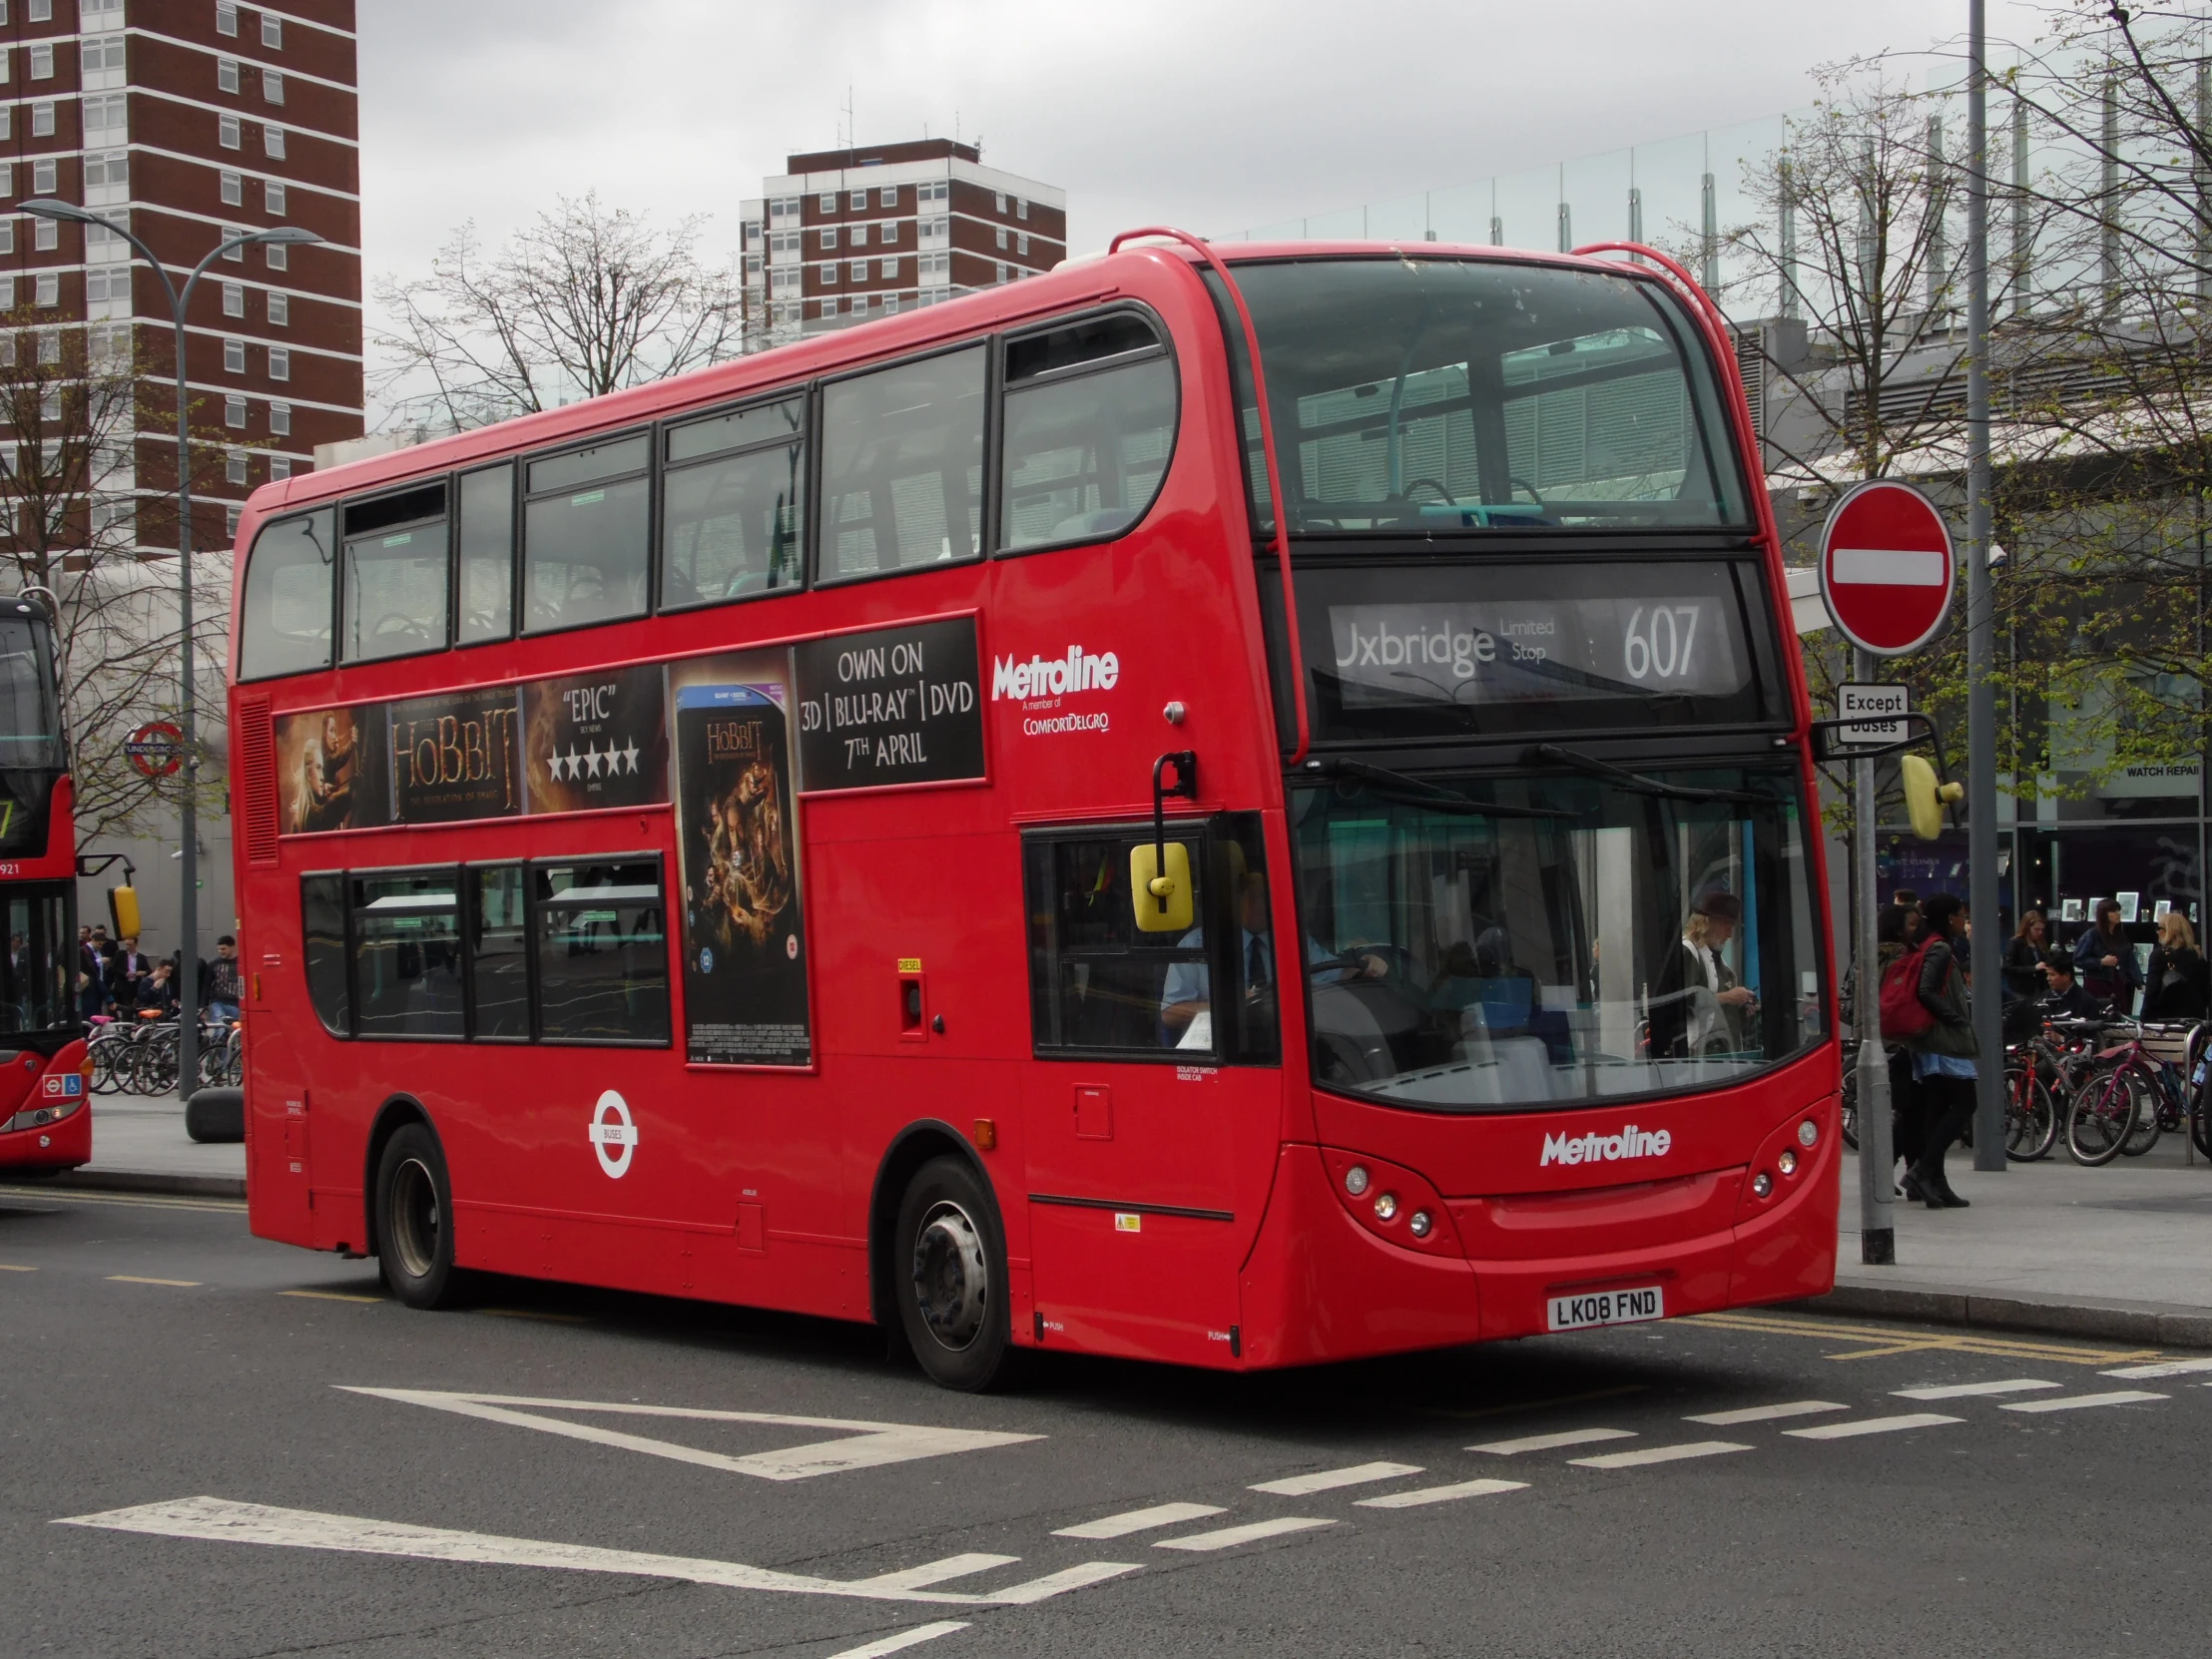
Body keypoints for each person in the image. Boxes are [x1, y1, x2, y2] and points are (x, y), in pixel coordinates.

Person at [1159, 872, 1383, 1044]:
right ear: (1239, 901)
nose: (1272, 903)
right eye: (1261, 896)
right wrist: (1232, 1005)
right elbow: (1171, 1013)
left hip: (1289, 1044)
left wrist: (1366, 961)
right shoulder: (1198, 943)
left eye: (1274, 894)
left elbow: (1333, 974)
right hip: (1226, 1050)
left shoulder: (1293, 938)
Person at [1902, 893, 1976, 1210]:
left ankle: (1937, 1181)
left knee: (1937, 1108)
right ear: (1949, 918)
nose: (1964, 920)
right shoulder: (1941, 948)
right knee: (1965, 1102)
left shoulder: (1928, 945)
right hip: (1943, 1040)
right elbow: (1926, 990)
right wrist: (1955, 1019)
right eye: (1961, 915)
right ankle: (1923, 1171)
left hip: (1930, 1041)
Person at [1669, 887, 1755, 1054]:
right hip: (1699, 1056)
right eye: (1726, 926)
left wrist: (1742, 1007)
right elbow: (1680, 1001)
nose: (1730, 934)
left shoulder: (1718, 960)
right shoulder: (1688, 952)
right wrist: (1727, 997)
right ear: (1707, 923)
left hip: (1723, 1053)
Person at [2141, 910, 2210, 1021]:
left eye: (2159, 928)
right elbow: (2206, 991)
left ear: (2169, 932)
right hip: (2195, 1019)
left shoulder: (2160, 955)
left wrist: (2144, 1018)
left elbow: (2152, 991)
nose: (2157, 932)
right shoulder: (2197, 955)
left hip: (2166, 1019)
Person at [2037, 952, 2104, 1021]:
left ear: (2066, 975)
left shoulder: (2086, 1001)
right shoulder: (2045, 997)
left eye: (2052, 975)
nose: (2048, 979)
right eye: (2047, 975)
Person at [2002, 909, 2049, 1002]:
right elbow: (2007, 968)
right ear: (2027, 928)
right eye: (2036, 929)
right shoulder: (2015, 943)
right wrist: (2033, 968)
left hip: (2039, 988)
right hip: (2021, 990)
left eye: (2042, 930)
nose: (2040, 933)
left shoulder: (2040, 944)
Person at [200, 935, 244, 1025]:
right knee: (220, 1027)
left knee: (234, 1030)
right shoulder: (214, 964)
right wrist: (202, 1006)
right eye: (219, 949)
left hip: (237, 1003)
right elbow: (206, 985)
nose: (220, 952)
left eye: (223, 949)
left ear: (232, 947)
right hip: (218, 1002)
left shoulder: (242, 963)